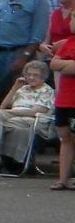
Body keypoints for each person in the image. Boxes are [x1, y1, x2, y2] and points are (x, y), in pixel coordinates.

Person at [0, 61, 55, 176]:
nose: (31, 77)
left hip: (33, 121)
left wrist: (11, 112)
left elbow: (35, 111)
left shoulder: (46, 91)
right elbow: (3, 106)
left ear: (43, 76)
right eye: (29, 74)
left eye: (35, 75)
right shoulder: (23, 89)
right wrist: (14, 88)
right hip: (14, 119)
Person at [50, 23, 75, 189]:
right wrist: (70, 65)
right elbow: (53, 64)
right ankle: (63, 179)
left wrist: (65, 65)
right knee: (65, 137)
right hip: (64, 99)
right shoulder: (68, 42)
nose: (71, 22)